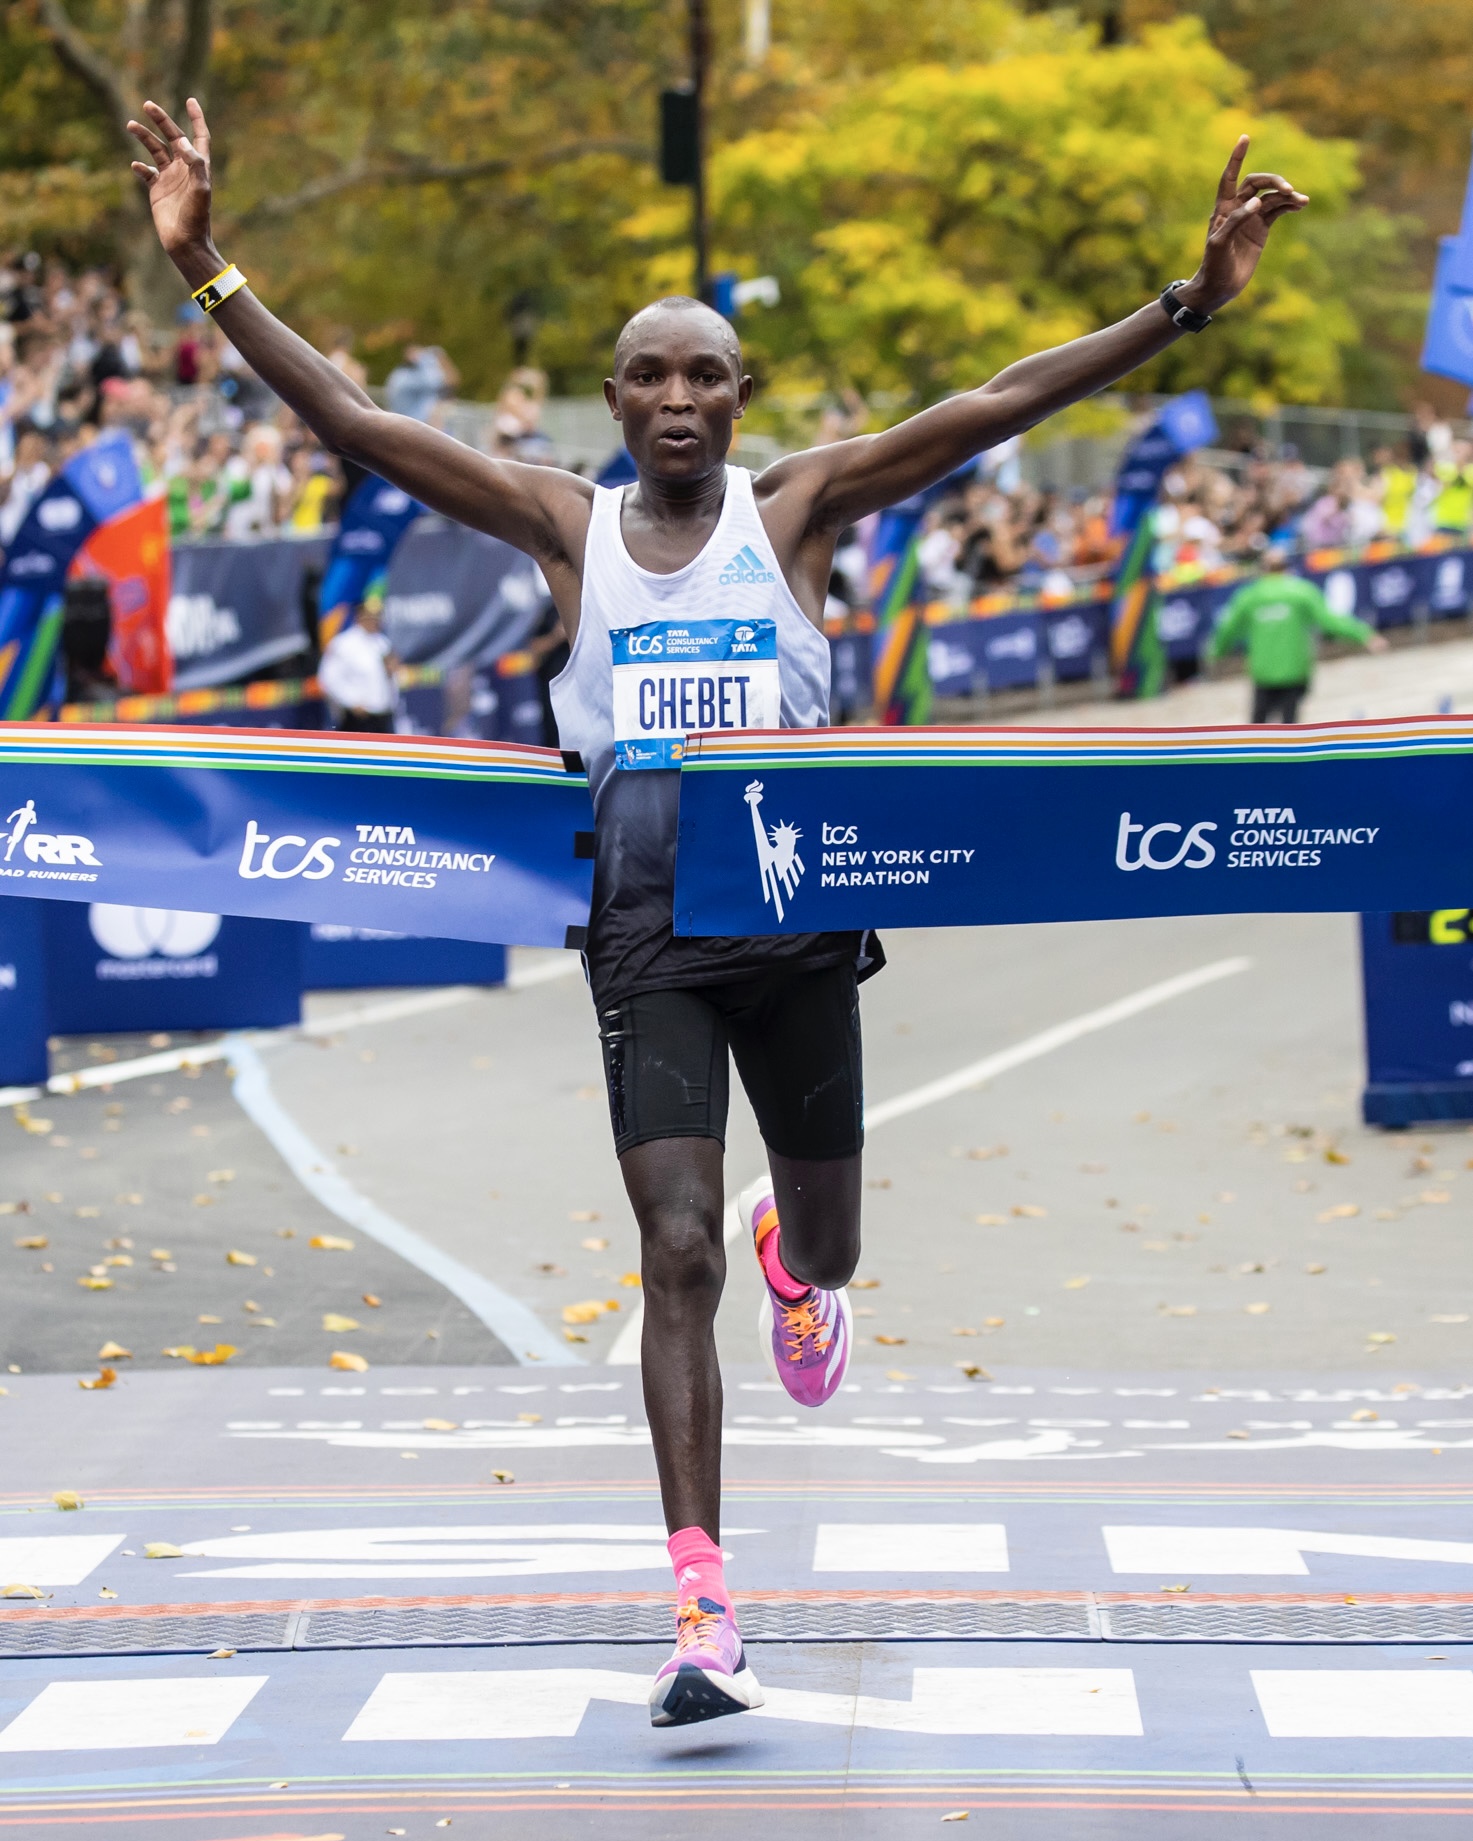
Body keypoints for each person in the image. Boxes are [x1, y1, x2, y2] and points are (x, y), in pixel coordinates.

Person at [128, 96, 1307, 1727]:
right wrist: (207, 274)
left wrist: (1183, 306)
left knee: (807, 1239)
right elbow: (354, 423)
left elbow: (997, 398)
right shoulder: (567, 526)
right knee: (667, 1250)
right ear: (612, 399)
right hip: (649, 933)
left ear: (737, 402)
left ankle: (797, 1260)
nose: (675, 395)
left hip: (800, 929)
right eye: (647, 372)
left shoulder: (796, 512)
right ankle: (701, 1604)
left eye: (704, 373)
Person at [1207, 543, 1386, 723]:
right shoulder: (1301, 592)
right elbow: (1331, 621)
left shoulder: (1250, 596)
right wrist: (1365, 634)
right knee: (1290, 727)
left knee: (1258, 726)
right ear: (1288, 567)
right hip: (1293, 669)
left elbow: (1228, 629)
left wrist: (1216, 652)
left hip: (1263, 671)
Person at [316, 599, 398, 731]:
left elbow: (391, 677)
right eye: (371, 616)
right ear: (359, 616)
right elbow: (328, 678)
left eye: (378, 615)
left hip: (383, 716)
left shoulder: (382, 642)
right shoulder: (344, 643)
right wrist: (351, 702)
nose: (375, 620)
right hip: (359, 718)